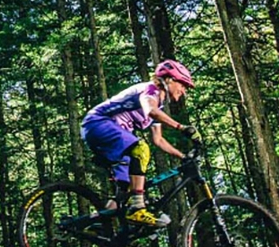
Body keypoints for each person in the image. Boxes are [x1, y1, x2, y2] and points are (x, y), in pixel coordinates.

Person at [80, 59, 196, 227]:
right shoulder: (150, 90)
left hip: (106, 131)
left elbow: (159, 140)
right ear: (170, 79)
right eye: (183, 85)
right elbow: (150, 110)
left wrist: (183, 156)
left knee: (128, 188)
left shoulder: (159, 106)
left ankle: (98, 225)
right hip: (99, 123)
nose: (183, 91)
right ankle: (138, 208)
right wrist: (181, 127)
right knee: (141, 148)